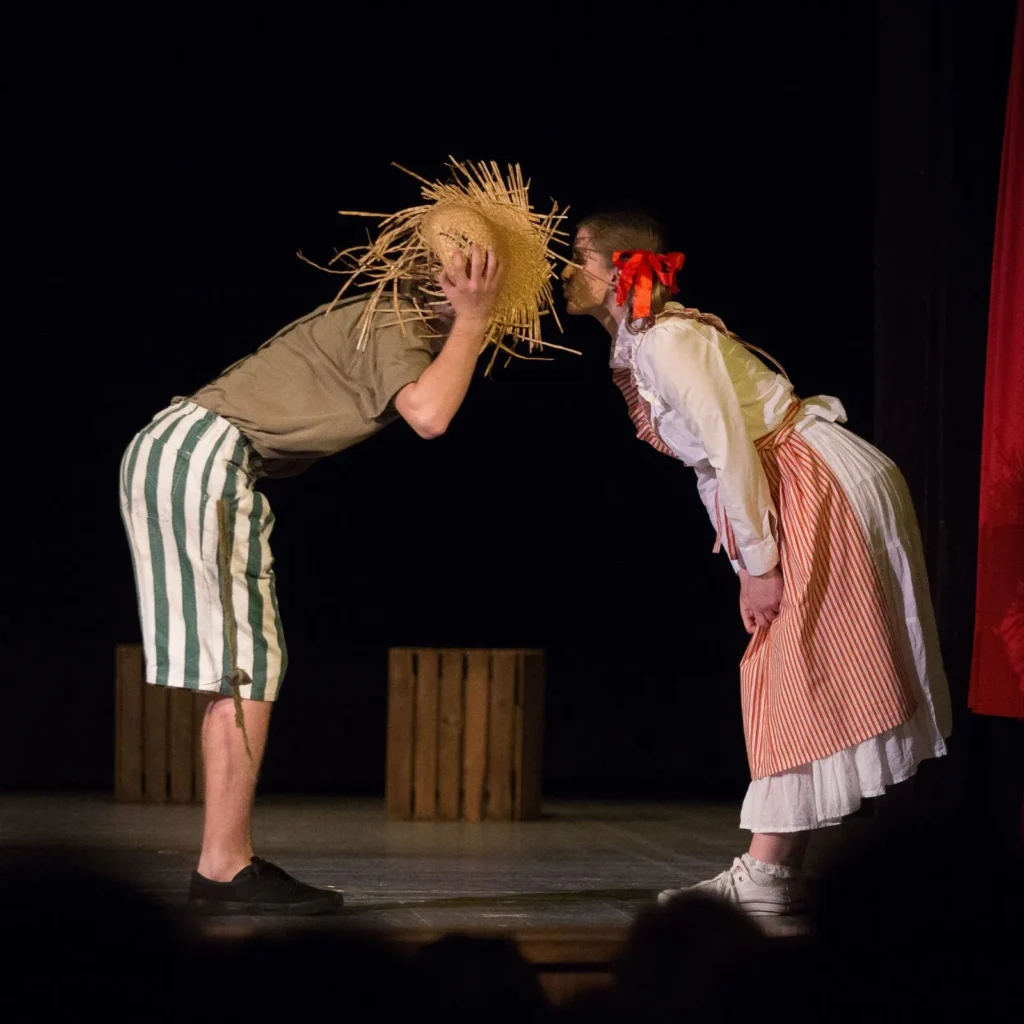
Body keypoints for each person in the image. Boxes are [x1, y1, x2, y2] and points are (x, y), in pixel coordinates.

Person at [119, 160, 565, 914]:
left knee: (243, 664)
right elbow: (430, 416)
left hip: (190, 452)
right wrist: (473, 321)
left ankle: (223, 865)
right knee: (247, 665)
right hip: (202, 456)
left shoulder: (396, 324)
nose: (466, 289)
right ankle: (223, 869)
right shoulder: (394, 318)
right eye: (463, 277)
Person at [561, 211, 952, 915]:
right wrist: (746, 558)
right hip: (800, 481)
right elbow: (712, 464)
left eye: (578, 255)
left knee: (787, 666)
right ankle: (775, 872)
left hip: (816, 480)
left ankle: (767, 875)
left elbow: (729, 447)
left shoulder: (668, 340)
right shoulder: (645, 342)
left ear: (621, 270)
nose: (564, 270)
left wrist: (762, 564)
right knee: (793, 667)